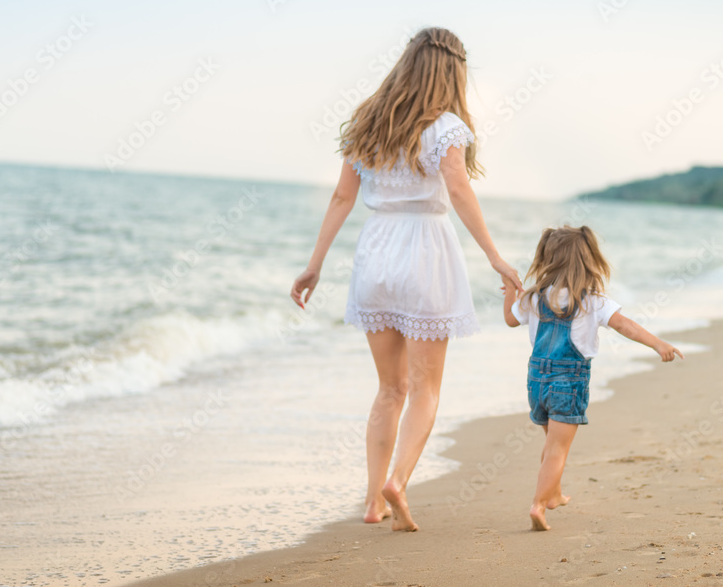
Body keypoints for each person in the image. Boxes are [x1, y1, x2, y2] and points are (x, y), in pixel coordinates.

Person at [291, 27, 523, 532]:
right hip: (425, 252)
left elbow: (340, 199)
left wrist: (315, 264)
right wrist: (495, 257)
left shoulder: (368, 122)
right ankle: (397, 481)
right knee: (425, 389)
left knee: (388, 389)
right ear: (454, 71)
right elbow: (458, 190)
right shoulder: (447, 127)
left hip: (375, 253)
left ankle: (373, 503)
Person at [502, 225, 683, 531]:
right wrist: (658, 343)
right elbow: (625, 326)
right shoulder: (593, 301)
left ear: (546, 258)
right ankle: (537, 505)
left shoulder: (535, 297)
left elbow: (510, 320)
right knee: (558, 449)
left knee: (551, 444)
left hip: (536, 381)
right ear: (588, 260)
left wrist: (510, 292)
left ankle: (554, 493)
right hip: (569, 383)